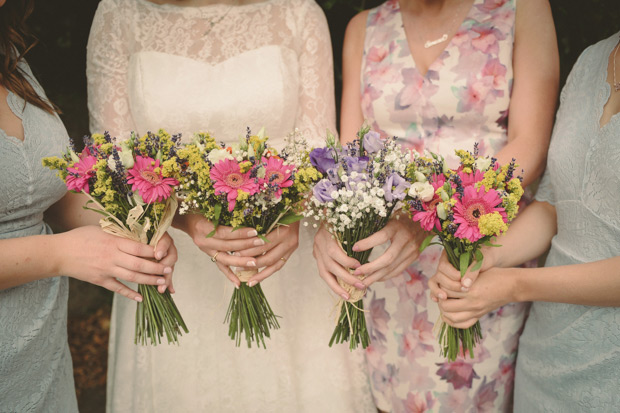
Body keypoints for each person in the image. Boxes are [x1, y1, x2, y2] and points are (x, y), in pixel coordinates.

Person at [86, 0, 375, 411]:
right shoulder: (119, 14)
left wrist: (288, 217)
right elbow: (112, 163)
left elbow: (319, 151)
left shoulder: (298, 13)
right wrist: (185, 220)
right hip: (172, 262)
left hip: (281, 254)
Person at [313, 0, 559, 410]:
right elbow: (350, 156)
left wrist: (432, 219)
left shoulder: (522, 9)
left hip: (475, 260)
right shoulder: (364, 27)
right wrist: (332, 226)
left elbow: (530, 147)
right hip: (388, 268)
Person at [0, 1, 177, 411]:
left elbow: (42, 193)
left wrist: (136, 230)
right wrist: (59, 254)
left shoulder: (14, 64)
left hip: (41, 363)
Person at [430, 31, 620, 411]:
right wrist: (487, 257)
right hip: (546, 358)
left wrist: (515, 284)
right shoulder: (592, 59)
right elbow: (554, 206)